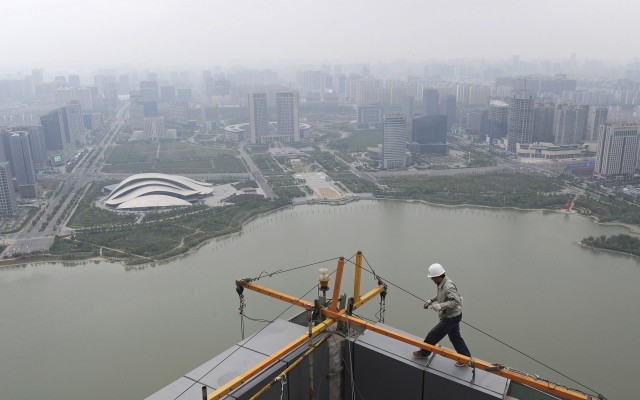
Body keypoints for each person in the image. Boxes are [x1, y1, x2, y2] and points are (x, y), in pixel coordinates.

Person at [412, 263, 471, 367]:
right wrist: (431, 300)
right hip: (454, 315)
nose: (432, 280)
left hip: (451, 317)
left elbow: (456, 301)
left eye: (433, 278)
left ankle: (424, 353)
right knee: (455, 338)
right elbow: (441, 294)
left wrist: (440, 306)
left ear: (438, 276)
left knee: (433, 334)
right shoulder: (442, 283)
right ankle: (465, 358)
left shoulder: (448, 286)